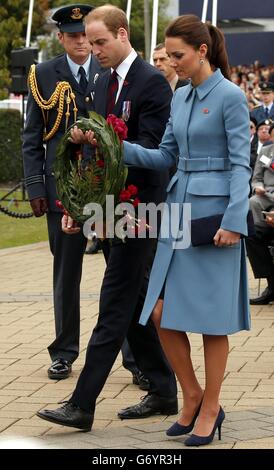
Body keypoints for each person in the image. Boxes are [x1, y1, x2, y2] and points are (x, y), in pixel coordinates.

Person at [37, 5, 177, 431]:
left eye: (99, 41)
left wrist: (102, 139)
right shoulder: (101, 82)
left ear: (122, 35)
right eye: (87, 42)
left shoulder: (152, 84)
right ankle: (164, 388)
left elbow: (154, 154)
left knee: (113, 306)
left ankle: (82, 404)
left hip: (142, 212)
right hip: (111, 211)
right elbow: (93, 156)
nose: (91, 49)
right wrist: (81, 210)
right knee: (132, 303)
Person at [120, 14, 251, 446]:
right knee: (160, 311)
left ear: (202, 51)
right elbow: (164, 157)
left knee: (212, 324)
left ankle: (210, 407)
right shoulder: (180, 96)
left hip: (215, 221)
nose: (171, 62)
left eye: (177, 55)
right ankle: (192, 394)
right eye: (168, 55)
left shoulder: (230, 96)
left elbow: (240, 165)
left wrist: (234, 221)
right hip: (177, 212)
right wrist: (112, 145)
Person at [22, 4, 102, 380]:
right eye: (73, 36)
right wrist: (35, 185)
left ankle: (137, 357)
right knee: (65, 273)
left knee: (124, 274)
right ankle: (64, 351)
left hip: (106, 188)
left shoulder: (108, 68)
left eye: (86, 35)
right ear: (61, 37)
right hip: (61, 190)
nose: (82, 42)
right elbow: (31, 138)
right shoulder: (43, 74)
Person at [247, 141, 274, 304]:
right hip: (266, 196)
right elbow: (256, 177)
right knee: (252, 233)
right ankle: (272, 284)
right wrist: (258, 186)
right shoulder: (266, 151)